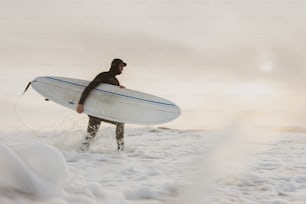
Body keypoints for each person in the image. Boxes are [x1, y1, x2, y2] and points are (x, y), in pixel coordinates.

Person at [76, 58, 127, 151]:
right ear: (115, 66)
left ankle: (121, 149)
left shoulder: (115, 81)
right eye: (121, 66)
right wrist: (81, 103)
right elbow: (89, 88)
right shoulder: (103, 76)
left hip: (104, 111)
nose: (122, 69)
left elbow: (112, 98)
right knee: (91, 134)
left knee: (120, 123)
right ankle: (82, 151)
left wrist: (119, 90)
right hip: (96, 110)